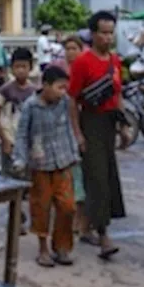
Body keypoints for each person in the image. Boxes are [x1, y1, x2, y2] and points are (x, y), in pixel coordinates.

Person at [68, 11, 125, 259]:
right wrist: (78, 133)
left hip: (110, 123)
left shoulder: (115, 61)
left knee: (108, 176)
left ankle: (87, 227)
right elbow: (72, 99)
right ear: (92, 34)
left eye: (111, 32)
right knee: (97, 179)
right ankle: (103, 236)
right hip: (90, 121)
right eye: (103, 32)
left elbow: (118, 95)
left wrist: (124, 126)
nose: (107, 37)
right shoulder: (82, 62)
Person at [12, 65, 80, 268]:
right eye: (59, 87)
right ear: (46, 86)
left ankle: (62, 247)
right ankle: (43, 249)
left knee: (68, 207)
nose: (63, 92)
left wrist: (74, 151)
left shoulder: (65, 102)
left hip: (63, 160)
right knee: (41, 207)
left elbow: (68, 128)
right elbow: (22, 135)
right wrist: (20, 159)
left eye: (65, 88)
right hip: (40, 164)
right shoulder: (30, 106)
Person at [62, 33, 88, 235]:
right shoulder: (61, 71)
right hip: (63, 128)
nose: (70, 52)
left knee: (79, 175)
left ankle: (81, 219)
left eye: (74, 48)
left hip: (82, 125)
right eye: (67, 48)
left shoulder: (84, 70)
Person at [0, 47, 37, 169]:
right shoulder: (5, 90)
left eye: (24, 67)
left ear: (31, 67)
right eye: (17, 67)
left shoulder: (34, 91)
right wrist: (4, 140)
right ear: (11, 69)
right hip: (10, 139)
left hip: (28, 142)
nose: (21, 70)